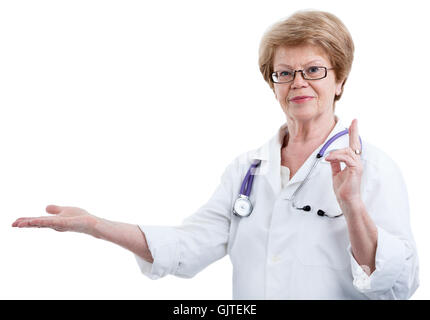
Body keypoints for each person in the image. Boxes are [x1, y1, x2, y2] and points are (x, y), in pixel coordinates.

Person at [12, 10, 419, 300]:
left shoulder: (373, 168)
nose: (298, 83)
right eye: (284, 72)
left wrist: (351, 204)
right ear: (272, 82)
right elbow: (189, 247)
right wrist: (97, 226)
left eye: (313, 70)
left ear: (340, 79)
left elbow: (399, 284)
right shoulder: (249, 168)